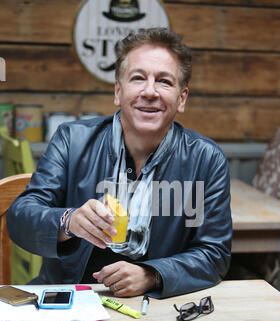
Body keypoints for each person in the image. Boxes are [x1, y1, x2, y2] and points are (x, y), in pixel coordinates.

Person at [7, 27, 232, 299]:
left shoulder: (205, 160)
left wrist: (152, 274)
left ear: (181, 98)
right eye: (138, 78)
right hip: (68, 297)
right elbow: (20, 218)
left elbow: (214, 254)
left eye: (164, 81)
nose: (150, 91)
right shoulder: (72, 140)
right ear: (118, 91)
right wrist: (69, 221)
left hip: (156, 306)